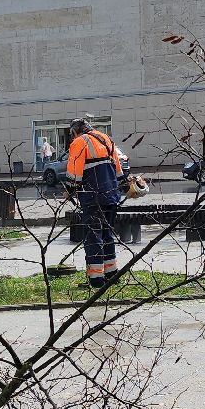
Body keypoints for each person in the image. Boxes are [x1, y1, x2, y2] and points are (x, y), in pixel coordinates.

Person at [64, 118, 125, 289]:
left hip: (93, 196)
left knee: (93, 237)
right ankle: (111, 274)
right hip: (112, 194)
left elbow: (74, 173)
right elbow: (118, 169)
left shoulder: (79, 142)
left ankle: (96, 280)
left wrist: (69, 191)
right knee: (107, 234)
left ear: (74, 132)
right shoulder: (106, 138)